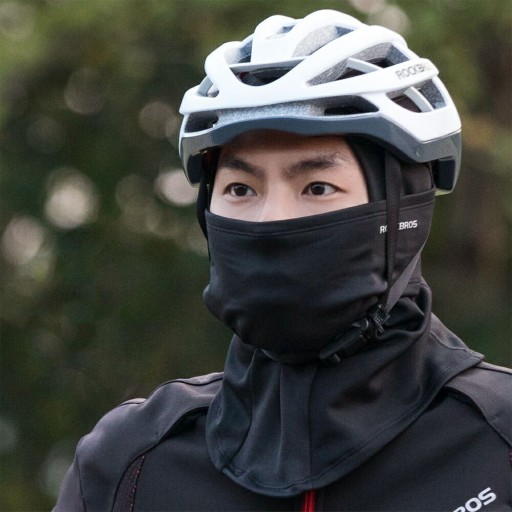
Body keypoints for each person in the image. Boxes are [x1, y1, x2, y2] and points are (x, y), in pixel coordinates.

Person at [54, 10, 511, 511]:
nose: (272, 219)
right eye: (240, 189)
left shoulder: (498, 440)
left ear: (403, 210)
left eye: (317, 187)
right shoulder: (131, 465)